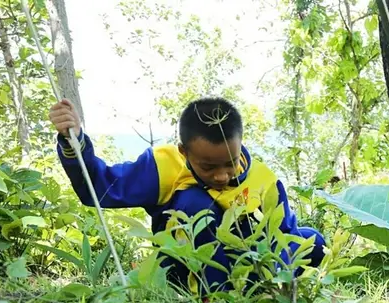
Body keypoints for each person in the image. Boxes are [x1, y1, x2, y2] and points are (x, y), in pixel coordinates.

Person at [49, 97, 325, 292]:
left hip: (247, 267)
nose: (221, 176)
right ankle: (214, 299)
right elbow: (100, 188)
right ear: (184, 152)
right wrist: (74, 141)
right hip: (189, 268)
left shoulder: (263, 179)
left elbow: (284, 235)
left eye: (230, 163)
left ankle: (261, 292)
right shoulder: (163, 166)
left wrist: (279, 280)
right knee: (195, 205)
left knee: (312, 240)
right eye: (208, 167)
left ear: (240, 145)